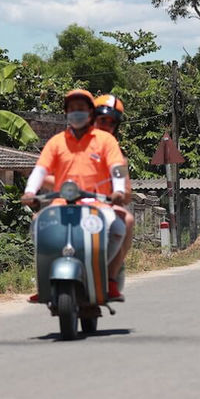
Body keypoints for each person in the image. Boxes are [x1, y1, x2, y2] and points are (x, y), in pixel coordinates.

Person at [22, 89, 130, 302]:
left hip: (96, 205)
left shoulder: (106, 142)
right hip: (63, 204)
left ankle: (103, 272)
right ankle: (45, 278)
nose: (76, 113)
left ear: (89, 112)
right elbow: (40, 170)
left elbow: (118, 169)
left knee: (118, 226)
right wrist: (29, 192)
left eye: (81, 109)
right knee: (37, 224)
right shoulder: (56, 142)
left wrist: (118, 190)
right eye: (72, 109)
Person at [91, 93, 135, 291]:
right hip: (70, 204)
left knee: (127, 220)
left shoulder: (116, 154)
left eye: (111, 123)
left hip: (103, 206)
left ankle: (111, 275)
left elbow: (124, 187)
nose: (106, 126)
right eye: (102, 120)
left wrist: (121, 193)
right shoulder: (72, 144)